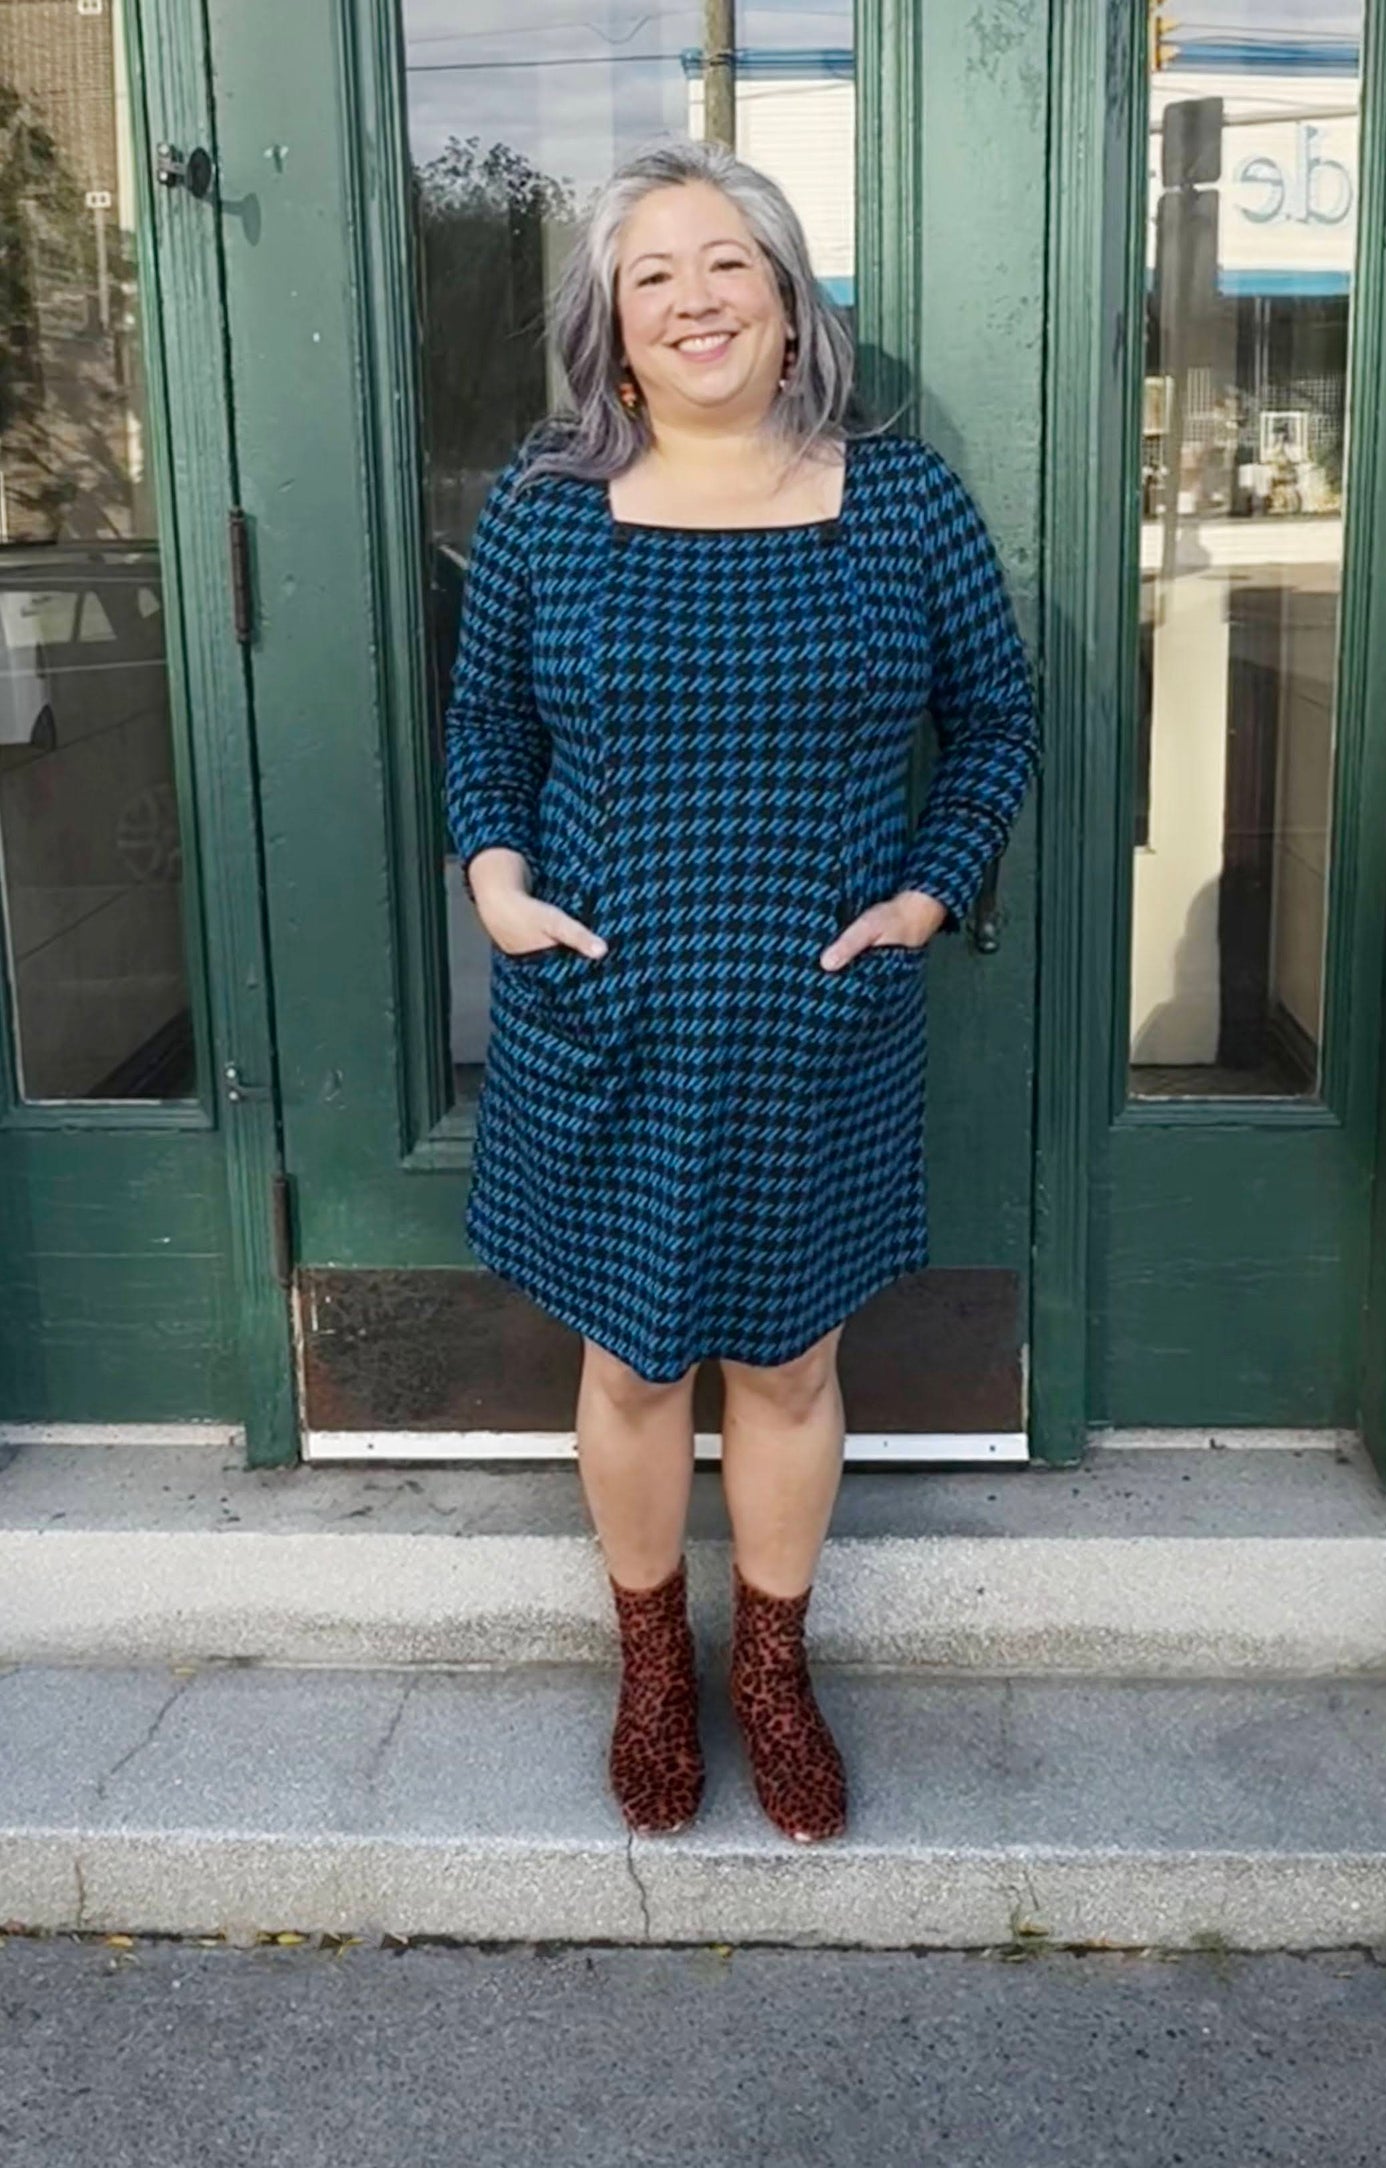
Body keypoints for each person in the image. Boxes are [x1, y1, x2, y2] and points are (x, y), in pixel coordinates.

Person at [443, 138, 1040, 1847]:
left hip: (816, 1020)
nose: (694, 300)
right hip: (603, 1012)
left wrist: (928, 893)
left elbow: (994, 717)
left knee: (785, 1365)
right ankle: (650, 1667)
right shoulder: (545, 504)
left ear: (790, 308)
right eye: (654, 276)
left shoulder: (901, 498)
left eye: (730, 266)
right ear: (612, 333)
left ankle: (770, 1672)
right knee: (630, 1366)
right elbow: (487, 728)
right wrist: (500, 885)